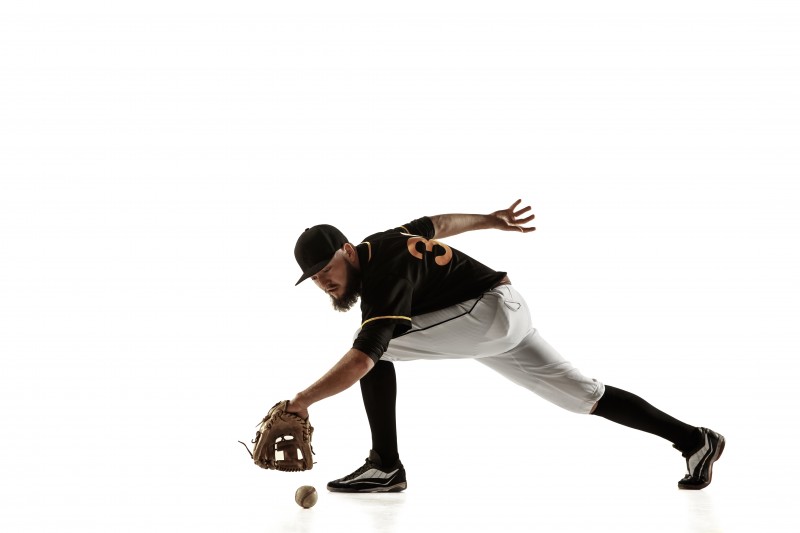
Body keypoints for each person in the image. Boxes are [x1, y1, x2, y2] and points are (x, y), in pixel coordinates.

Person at [284, 199, 724, 492]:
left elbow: (363, 359)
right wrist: (491, 220)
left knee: (375, 354)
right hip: (500, 313)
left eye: (327, 267)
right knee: (584, 396)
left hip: (484, 313)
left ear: (346, 250)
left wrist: (301, 401)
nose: (323, 280)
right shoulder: (383, 242)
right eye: (315, 276)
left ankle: (385, 464)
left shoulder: (386, 277)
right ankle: (694, 440)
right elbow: (437, 225)